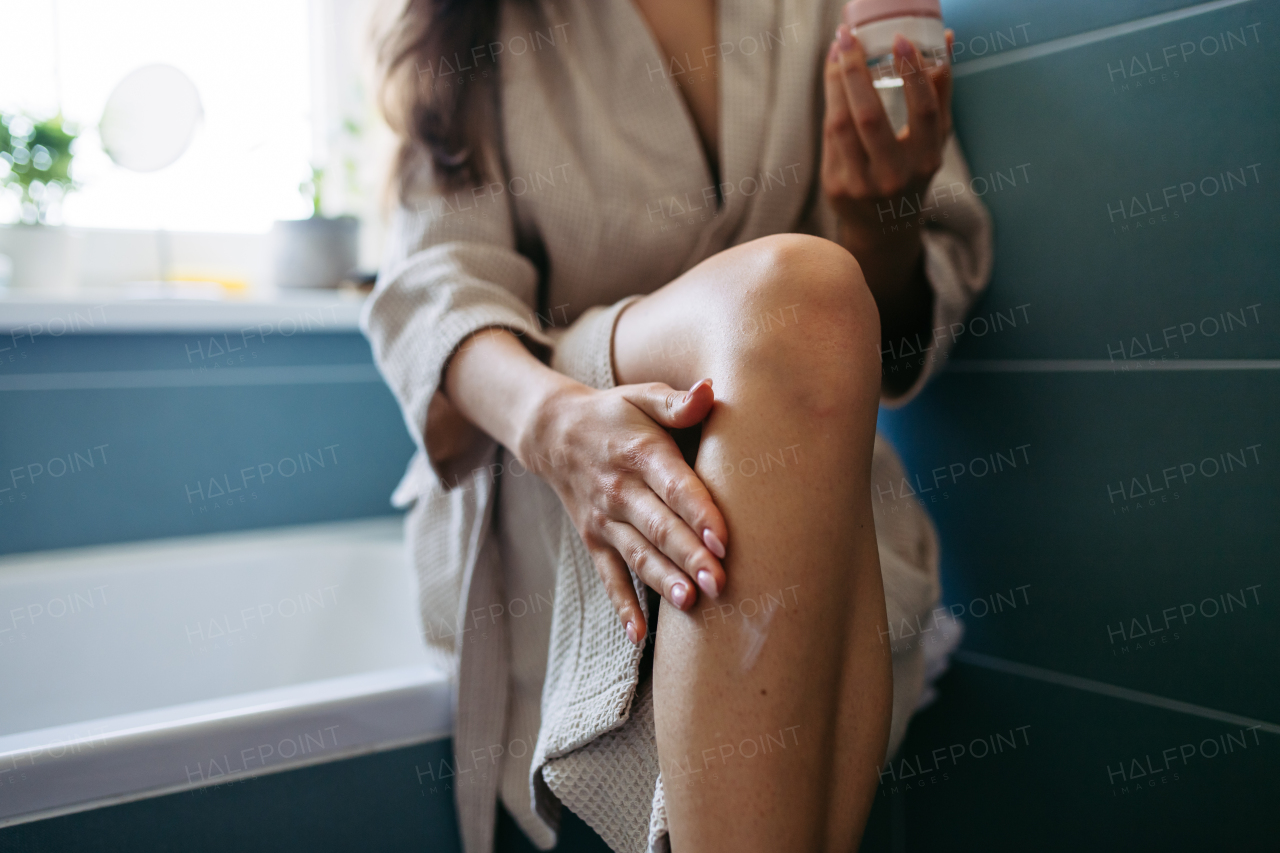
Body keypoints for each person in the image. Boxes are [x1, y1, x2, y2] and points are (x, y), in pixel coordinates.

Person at [365, 1, 991, 851]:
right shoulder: (484, 21)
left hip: (794, 453)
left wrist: (879, 215)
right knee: (793, 295)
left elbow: (896, 343)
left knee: (811, 302)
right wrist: (556, 426)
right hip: (559, 442)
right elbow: (435, 290)